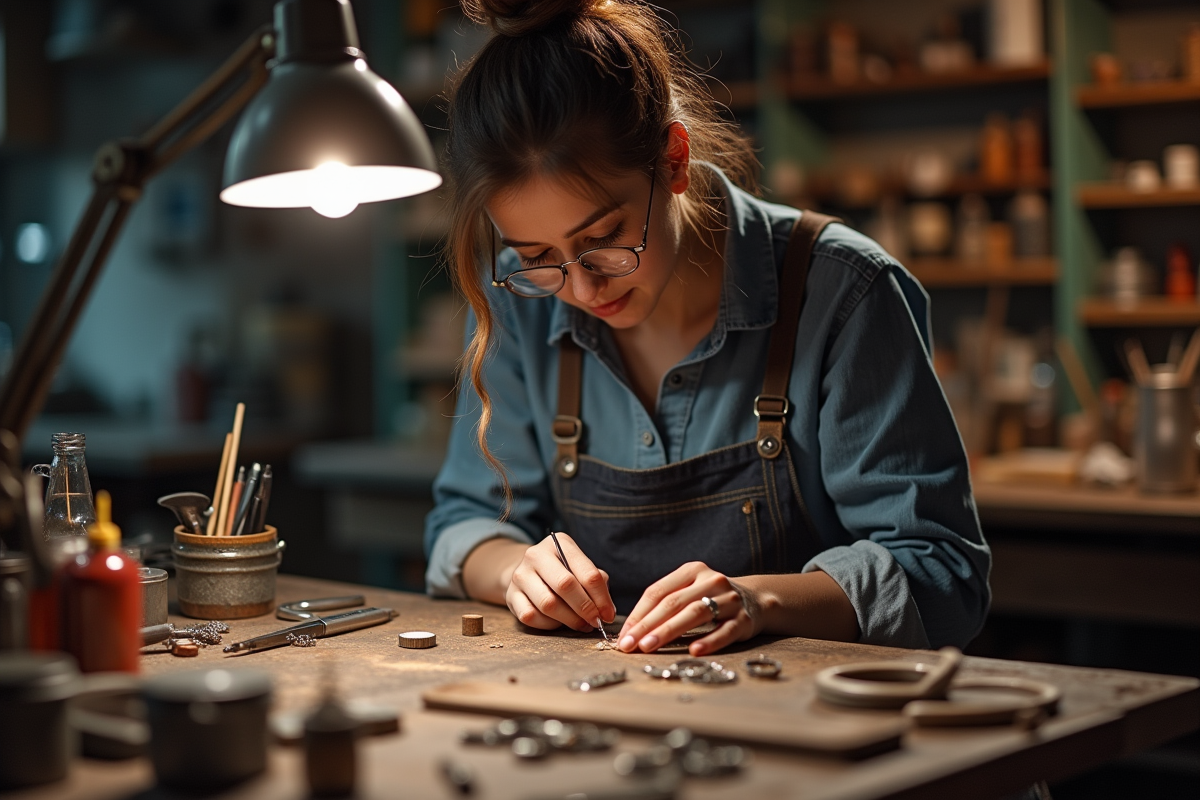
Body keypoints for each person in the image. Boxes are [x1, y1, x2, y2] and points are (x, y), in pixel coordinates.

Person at [424, 0, 990, 658]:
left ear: (673, 161)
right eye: (537, 257)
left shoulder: (844, 294)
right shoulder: (521, 306)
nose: (579, 289)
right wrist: (516, 569)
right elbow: (463, 526)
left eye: (604, 239)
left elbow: (943, 576)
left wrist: (760, 602)